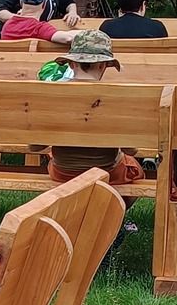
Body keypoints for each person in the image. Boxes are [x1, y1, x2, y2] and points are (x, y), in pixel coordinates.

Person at [37, 30, 146, 188]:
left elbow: (35, 146)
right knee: (134, 167)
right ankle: (110, 203)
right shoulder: (115, 97)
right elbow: (131, 150)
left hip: (62, 172)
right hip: (106, 172)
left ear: (71, 64)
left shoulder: (51, 94)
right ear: (103, 65)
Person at [0, 0, 83, 45]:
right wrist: (88, 32)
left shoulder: (7, 26)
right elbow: (68, 38)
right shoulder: (39, 28)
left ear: (21, 2)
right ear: (44, 5)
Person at [101, 0, 168, 40]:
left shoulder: (106, 27)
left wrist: (119, 19)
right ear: (142, 5)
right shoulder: (157, 27)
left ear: (120, 6)